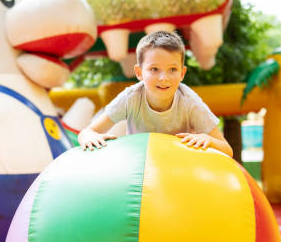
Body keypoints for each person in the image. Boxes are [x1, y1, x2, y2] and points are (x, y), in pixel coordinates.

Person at [78, 31, 233, 157]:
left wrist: (207, 139)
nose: (163, 78)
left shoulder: (189, 101)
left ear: (182, 73)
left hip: (179, 165)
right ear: (139, 72)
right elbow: (87, 132)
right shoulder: (131, 97)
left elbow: (227, 149)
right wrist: (89, 136)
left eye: (172, 69)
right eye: (154, 69)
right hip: (141, 168)